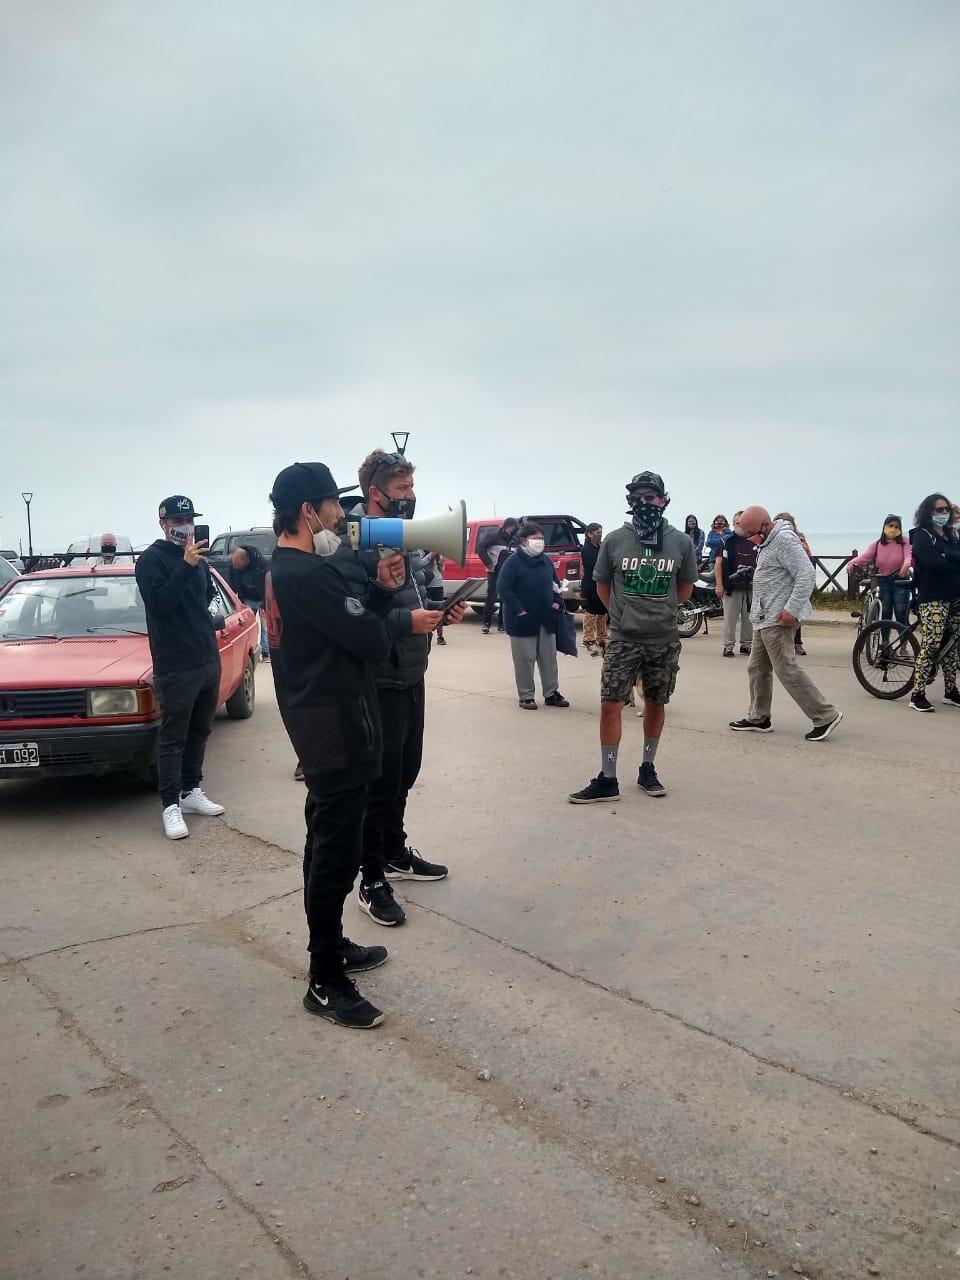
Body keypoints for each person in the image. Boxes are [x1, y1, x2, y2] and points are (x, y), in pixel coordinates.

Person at [265, 460, 405, 1029]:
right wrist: (386, 606)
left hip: (317, 718)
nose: (339, 515)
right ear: (307, 511)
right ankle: (325, 979)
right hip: (337, 724)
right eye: (332, 505)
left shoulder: (284, 570)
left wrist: (376, 588)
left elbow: (348, 625)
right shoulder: (308, 574)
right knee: (337, 852)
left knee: (323, 837)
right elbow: (370, 642)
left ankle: (331, 945)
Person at [347, 447, 467, 928]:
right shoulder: (353, 542)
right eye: (402, 490)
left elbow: (421, 589)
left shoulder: (409, 540)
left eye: (412, 488)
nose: (411, 497)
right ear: (375, 494)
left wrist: (443, 613)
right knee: (380, 780)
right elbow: (355, 611)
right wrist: (406, 621)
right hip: (379, 677)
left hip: (411, 672)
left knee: (405, 771)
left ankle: (394, 850)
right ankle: (370, 876)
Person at [569, 471, 697, 803]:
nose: (644, 504)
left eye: (650, 497)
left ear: (664, 500)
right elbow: (602, 584)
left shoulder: (680, 542)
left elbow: (684, 590)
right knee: (611, 703)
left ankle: (647, 769)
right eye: (637, 498)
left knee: (656, 702)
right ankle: (607, 778)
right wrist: (623, 615)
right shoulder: (614, 539)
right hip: (624, 638)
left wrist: (659, 610)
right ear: (629, 502)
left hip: (663, 638)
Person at [135, 496, 225, 840]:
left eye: (188, 519)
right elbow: (161, 604)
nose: (184, 526)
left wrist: (195, 567)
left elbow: (205, 601)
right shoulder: (151, 561)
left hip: (206, 658)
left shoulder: (199, 560)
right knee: (173, 738)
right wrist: (185, 566)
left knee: (200, 732)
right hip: (175, 665)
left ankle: (191, 791)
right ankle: (170, 804)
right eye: (177, 521)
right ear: (163, 525)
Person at [729, 507, 843, 741]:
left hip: (779, 618)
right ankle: (759, 717)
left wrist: (791, 609)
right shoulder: (768, 541)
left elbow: (806, 574)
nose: (749, 539)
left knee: (786, 669)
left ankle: (825, 715)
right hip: (764, 617)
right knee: (757, 668)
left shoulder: (783, 540)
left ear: (765, 525)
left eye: (750, 533)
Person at [497, 522, 570, 710]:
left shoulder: (545, 560)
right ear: (523, 540)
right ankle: (526, 695)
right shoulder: (513, 562)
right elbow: (503, 588)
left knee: (549, 658)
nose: (540, 542)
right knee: (525, 659)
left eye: (541, 538)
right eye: (536, 538)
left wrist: (556, 601)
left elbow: (556, 584)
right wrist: (519, 610)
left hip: (546, 617)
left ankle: (551, 693)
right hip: (522, 619)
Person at [907, 493, 960, 713]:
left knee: (952, 645)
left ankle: (951, 691)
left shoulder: (951, 535)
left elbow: (948, 558)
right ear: (929, 512)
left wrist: (946, 556)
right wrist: (950, 559)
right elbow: (932, 563)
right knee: (932, 643)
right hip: (932, 596)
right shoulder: (921, 534)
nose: (944, 513)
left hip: (954, 595)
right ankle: (917, 693)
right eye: (939, 510)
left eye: (946, 509)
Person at [846, 516, 912, 636]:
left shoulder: (905, 542)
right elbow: (865, 557)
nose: (893, 529)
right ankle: (885, 644)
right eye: (891, 526)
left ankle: (903, 644)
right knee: (885, 614)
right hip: (884, 580)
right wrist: (852, 562)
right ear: (884, 527)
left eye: (897, 527)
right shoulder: (877, 544)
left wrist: (906, 565)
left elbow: (909, 556)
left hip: (901, 581)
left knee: (901, 614)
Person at [715, 511, 756, 657]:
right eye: (737, 523)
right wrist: (719, 584)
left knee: (749, 618)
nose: (740, 525)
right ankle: (728, 646)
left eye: (743, 522)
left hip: (751, 587)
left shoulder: (755, 540)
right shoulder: (727, 541)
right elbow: (718, 564)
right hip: (731, 586)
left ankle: (746, 645)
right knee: (730, 619)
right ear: (733, 524)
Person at [774, 512, 813, 654]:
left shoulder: (797, 537)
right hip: (780, 584)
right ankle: (784, 644)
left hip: (796, 581)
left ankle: (797, 643)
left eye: (786, 522)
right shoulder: (772, 539)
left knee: (795, 611)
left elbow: (808, 558)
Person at [477, 517, 519, 634]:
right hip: (494, 572)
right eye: (514, 528)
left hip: (508, 574)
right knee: (491, 597)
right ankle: (486, 624)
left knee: (505, 599)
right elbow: (480, 547)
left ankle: (502, 624)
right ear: (509, 527)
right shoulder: (494, 536)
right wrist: (488, 563)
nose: (515, 530)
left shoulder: (515, 540)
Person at [228, 544, 270, 660]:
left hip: (261, 598)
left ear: (245, 560)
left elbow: (267, 585)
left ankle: (266, 652)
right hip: (246, 599)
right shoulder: (234, 564)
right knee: (246, 627)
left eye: (237, 565)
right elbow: (231, 583)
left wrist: (265, 605)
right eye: (233, 565)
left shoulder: (262, 564)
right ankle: (248, 651)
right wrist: (233, 600)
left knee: (265, 627)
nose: (235, 567)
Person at [579, 522, 607, 656]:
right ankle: (588, 638)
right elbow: (593, 564)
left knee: (602, 611)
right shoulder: (587, 549)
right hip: (590, 584)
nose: (600, 535)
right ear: (590, 534)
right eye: (597, 533)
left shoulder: (600, 547)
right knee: (591, 611)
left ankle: (601, 636)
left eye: (601, 533)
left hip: (601, 583)